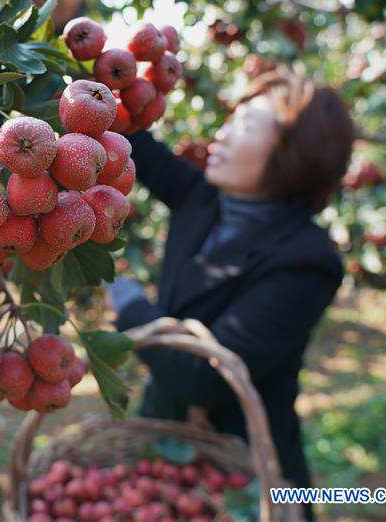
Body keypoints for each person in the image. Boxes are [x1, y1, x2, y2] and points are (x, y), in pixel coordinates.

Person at [113, 70, 355, 521]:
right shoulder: (202, 199)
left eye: (243, 123)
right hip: (161, 437)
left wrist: (130, 305)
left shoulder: (307, 260)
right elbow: (127, 133)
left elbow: (208, 376)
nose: (220, 134)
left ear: (291, 151)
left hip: (250, 468)